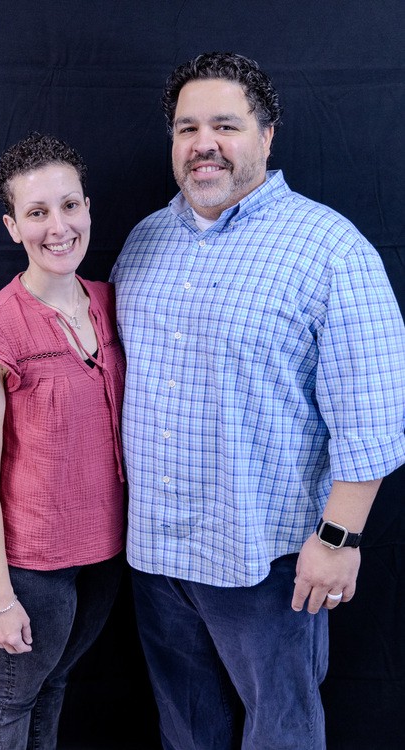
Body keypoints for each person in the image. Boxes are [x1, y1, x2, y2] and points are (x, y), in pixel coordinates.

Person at [110, 52, 405, 749]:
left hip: (265, 560)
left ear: (267, 136)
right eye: (187, 128)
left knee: (282, 735)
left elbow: (371, 413)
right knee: (188, 734)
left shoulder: (330, 249)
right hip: (155, 554)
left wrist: (338, 540)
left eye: (225, 124)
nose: (203, 143)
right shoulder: (144, 240)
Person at [0, 132, 126, 749]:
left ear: (88, 208)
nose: (58, 227)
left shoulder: (112, 303)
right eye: (37, 212)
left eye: (69, 206)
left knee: (54, 684)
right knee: (11, 698)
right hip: (26, 567)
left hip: (101, 554)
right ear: (12, 226)